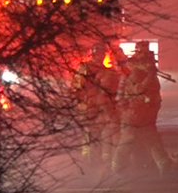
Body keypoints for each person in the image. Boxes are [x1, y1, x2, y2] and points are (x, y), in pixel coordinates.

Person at [111, 41, 171, 175]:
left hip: (145, 113)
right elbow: (137, 90)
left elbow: (154, 93)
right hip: (133, 113)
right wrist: (150, 76)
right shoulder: (135, 74)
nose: (151, 64)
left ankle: (164, 165)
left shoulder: (146, 74)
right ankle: (117, 168)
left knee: (153, 141)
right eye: (148, 61)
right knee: (128, 140)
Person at [73, 42, 120, 168]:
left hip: (102, 106)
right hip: (89, 106)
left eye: (102, 53)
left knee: (104, 133)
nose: (100, 56)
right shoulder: (84, 68)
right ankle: (88, 162)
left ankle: (100, 160)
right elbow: (77, 87)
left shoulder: (107, 70)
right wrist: (82, 103)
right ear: (92, 54)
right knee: (89, 134)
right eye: (97, 53)